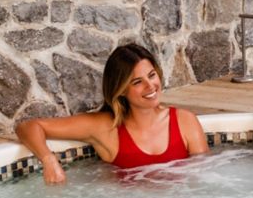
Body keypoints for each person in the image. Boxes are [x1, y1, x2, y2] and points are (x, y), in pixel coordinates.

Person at [16, 43, 208, 183]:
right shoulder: (105, 128)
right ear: (121, 90)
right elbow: (28, 127)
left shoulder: (185, 121)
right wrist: (48, 160)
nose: (150, 86)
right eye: (137, 82)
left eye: (152, 75)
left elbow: (204, 177)